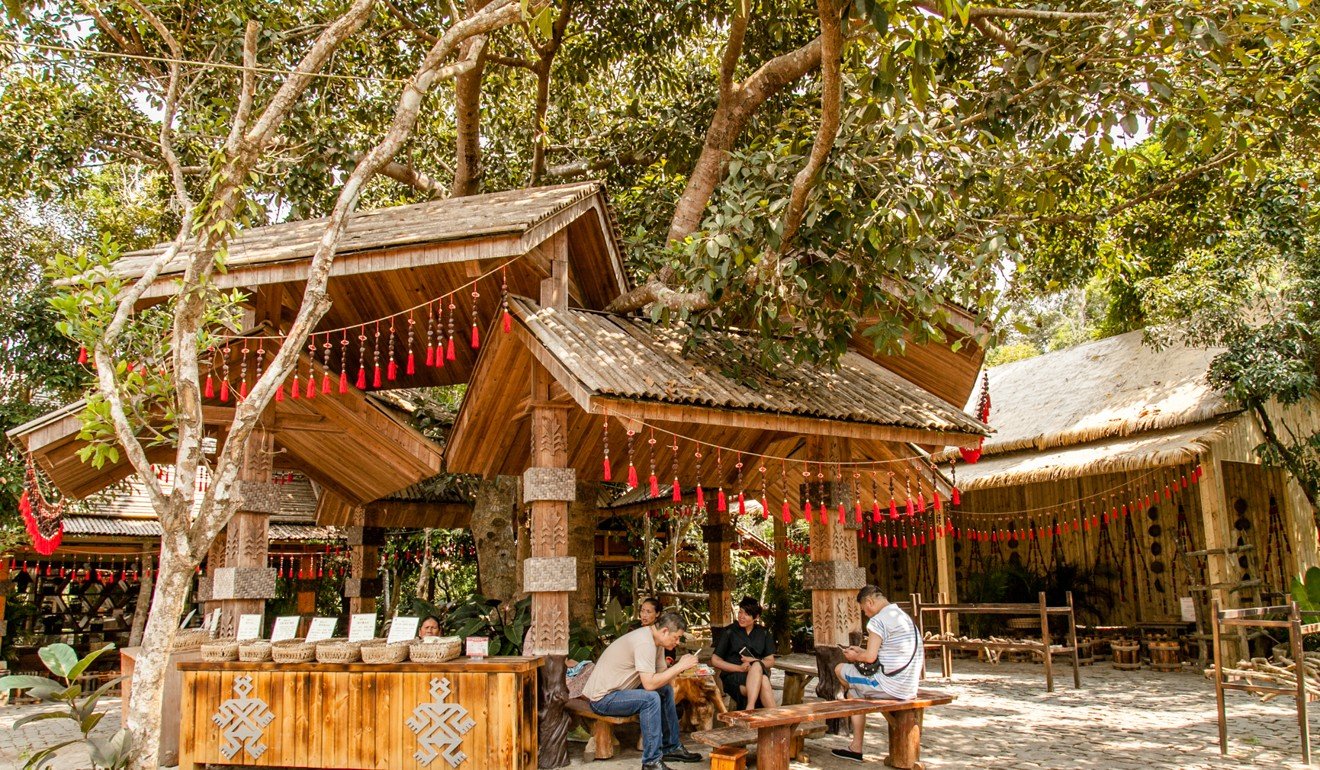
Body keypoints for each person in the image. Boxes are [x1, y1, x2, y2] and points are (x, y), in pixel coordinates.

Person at [581, 611, 704, 770]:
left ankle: (671, 747)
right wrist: (680, 666)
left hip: (619, 692)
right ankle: (651, 761)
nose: (678, 642)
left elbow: (661, 677)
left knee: (665, 690)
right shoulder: (644, 643)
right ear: (665, 631)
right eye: (676, 637)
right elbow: (649, 685)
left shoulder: (656, 642)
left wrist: (682, 670)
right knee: (650, 698)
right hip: (603, 699)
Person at [830, 585, 921, 763]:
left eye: (864, 609)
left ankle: (856, 747)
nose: (866, 614)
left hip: (891, 686)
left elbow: (870, 657)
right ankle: (855, 744)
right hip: (910, 686)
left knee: (840, 669)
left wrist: (855, 656)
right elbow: (882, 653)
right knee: (854, 690)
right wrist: (861, 653)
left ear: (870, 602)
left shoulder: (878, 621)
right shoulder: (903, 617)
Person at [711, 596, 776, 710]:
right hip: (734, 675)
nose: (741, 617)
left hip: (756, 673)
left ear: (756, 617)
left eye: (746, 614)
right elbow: (715, 660)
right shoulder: (729, 631)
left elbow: (770, 661)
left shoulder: (764, 633)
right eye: (740, 612)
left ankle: (750, 708)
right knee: (763, 681)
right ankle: (776, 719)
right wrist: (739, 668)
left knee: (757, 668)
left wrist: (755, 661)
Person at [638, 597, 677, 666]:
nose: (644, 615)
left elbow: (670, 651)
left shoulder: (663, 630)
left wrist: (667, 661)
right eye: (642, 611)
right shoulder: (634, 629)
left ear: (657, 614)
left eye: (648, 612)